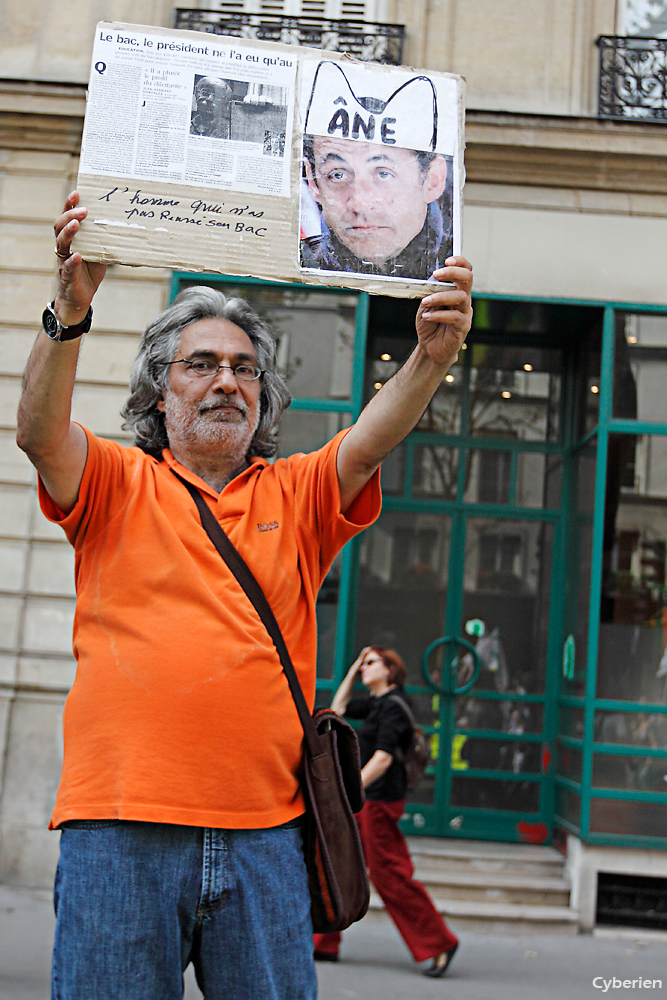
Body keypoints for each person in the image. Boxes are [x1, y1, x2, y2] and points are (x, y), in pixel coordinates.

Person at [16, 190, 472, 1000]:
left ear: (261, 394)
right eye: (201, 364)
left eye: (244, 368)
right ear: (162, 391)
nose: (226, 381)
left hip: (265, 836)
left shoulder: (297, 494)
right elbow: (39, 433)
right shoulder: (117, 480)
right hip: (119, 831)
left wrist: (432, 357)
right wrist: (69, 308)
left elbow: (370, 439)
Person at [313, 646, 460, 977]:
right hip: (367, 800)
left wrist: (350, 790)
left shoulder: (395, 707)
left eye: (370, 663)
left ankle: (438, 942)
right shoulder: (377, 704)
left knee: (388, 874)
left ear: (390, 670)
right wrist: (351, 671)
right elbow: (337, 709)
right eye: (362, 664)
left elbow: (384, 758)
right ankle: (324, 942)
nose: (364, 668)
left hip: (378, 801)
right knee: (340, 864)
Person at [300, 136, 452, 279]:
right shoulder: (295, 266)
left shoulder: (453, 269)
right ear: (313, 183)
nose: (360, 205)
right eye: (337, 175)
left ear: (433, 180)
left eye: (384, 174)